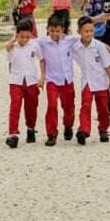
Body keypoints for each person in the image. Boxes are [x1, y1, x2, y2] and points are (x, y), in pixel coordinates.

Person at [35, 14, 79, 147]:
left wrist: (103, 46)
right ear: (47, 29)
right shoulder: (42, 42)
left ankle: (68, 126)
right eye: (52, 30)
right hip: (52, 80)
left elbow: (86, 38)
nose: (55, 33)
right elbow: (28, 42)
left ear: (63, 30)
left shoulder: (69, 40)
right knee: (52, 106)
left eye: (58, 31)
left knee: (69, 108)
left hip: (67, 80)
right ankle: (51, 134)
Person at [72, 16, 110, 145]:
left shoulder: (99, 46)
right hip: (87, 82)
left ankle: (103, 129)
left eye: (91, 31)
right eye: (86, 31)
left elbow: (107, 65)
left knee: (103, 108)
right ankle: (83, 130)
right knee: (85, 106)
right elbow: (64, 40)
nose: (89, 33)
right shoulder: (75, 46)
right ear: (79, 31)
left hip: (101, 81)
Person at [4, 19, 45, 148]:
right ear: (17, 35)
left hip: (31, 81)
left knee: (31, 106)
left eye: (27, 36)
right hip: (16, 81)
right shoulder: (13, 47)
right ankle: (13, 134)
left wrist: (42, 77)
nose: (25, 39)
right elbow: (7, 51)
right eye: (22, 36)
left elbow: (42, 60)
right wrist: (13, 40)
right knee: (15, 106)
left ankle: (31, 129)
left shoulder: (34, 45)